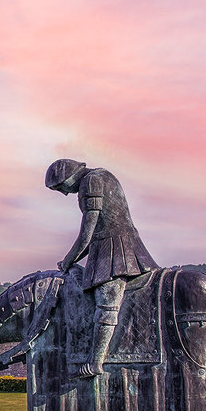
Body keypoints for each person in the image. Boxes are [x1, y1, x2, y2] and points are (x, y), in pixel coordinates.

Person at [46, 159, 158, 378]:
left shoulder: (92, 181)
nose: (64, 193)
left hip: (116, 248)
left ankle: (95, 362)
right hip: (107, 246)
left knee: (107, 303)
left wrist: (69, 259)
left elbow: (87, 233)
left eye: (61, 187)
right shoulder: (97, 177)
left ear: (69, 177)